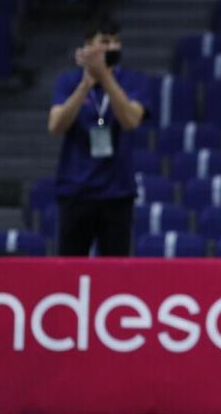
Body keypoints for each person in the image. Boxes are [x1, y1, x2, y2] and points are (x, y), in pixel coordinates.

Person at [47, 17, 152, 256]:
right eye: (104, 41)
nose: (112, 47)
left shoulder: (135, 81)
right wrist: (86, 84)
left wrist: (105, 77)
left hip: (117, 193)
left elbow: (131, 120)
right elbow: (55, 125)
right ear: (87, 47)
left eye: (116, 42)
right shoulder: (68, 81)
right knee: (69, 269)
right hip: (76, 190)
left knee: (115, 273)